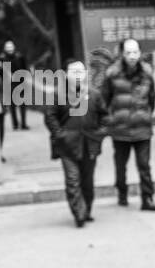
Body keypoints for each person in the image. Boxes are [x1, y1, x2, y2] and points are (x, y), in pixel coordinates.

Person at [97, 38, 155, 211]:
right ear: (122, 54)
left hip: (142, 128)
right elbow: (104, 100)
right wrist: (110, 120)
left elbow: (152, 99)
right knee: (120, 165)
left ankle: (147, 198)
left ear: (140, 53)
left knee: (144, 165)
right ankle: (122, 193)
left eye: (135, 52)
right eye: (128, 52)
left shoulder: (147, 73)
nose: (132, 56)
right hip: (120, 128)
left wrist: (146, 115)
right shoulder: (112, 74)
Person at [44, 60, 108, 227]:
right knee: (73, 180)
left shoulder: (94, 94)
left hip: (90, 144)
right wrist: (60, 135)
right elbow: (50, 117)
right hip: (67, 146)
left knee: (87, 181)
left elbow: (105, 117)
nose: (78, 75)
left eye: (81, 71)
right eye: (74, 72)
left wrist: (100, 133)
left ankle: (86, 210)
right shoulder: (58, 95)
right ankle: (78, 213)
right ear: (66, 75)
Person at [0, 40, 30, 130]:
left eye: (11, 47)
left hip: (21, 83)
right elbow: (0, 72)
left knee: (23, 105)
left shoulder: (20, 56)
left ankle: (23, 124)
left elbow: (25, 68)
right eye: (8, 47)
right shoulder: (2, 58)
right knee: (12, 106)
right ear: (5, 49)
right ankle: (15, 124)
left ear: (14, 47)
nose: (9, 49)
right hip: (9, 85)